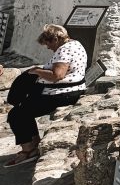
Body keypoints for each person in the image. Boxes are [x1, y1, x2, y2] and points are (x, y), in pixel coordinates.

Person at [4, 24, 87, 166]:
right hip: (69, 90)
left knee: (16, 115)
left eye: (48, 43)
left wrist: (36, 71)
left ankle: (28, 151)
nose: (48, 48)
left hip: (62, 93)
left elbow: (57, 75)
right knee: (24, 109)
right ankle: (34, 144)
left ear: (55, 39)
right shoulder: (75, 44)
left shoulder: (65, 50)